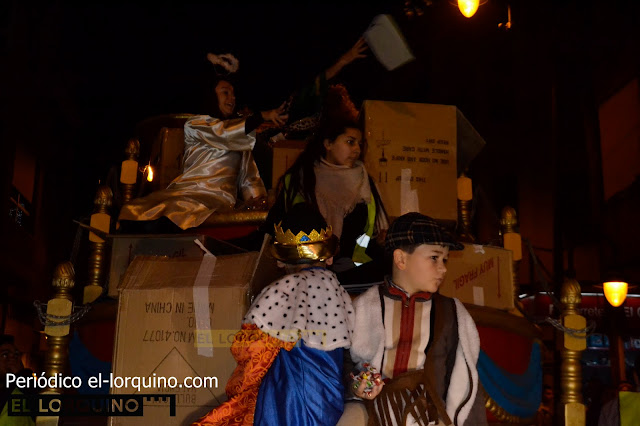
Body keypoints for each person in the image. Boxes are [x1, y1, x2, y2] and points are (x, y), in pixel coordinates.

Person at [119, 39, 368, 233]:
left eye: (233, 93)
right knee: (153, 214)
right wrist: (262, 116)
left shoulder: (242, 139)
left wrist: (260, 202)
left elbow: (250, 180)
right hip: (191, 197)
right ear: (212, 96)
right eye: (225, 93)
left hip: (222, 205)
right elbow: (223, 133)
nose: (232, 98)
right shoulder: (197, 125)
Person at [192, 203, 355, 426]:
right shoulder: (339, 291)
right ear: (329, 257)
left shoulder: (284, 290)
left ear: (279, 260)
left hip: (288, 400)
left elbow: (252, 350)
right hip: (327, 400)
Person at [339, 213, 487, 426]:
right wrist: (356, 384)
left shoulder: (451, 313)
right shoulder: (365, 306)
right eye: (434, 258)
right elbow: (344, 362)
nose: (443, 268)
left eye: (445, 260)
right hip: (373, 409)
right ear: (401, 259)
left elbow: (465, 378)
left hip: (427, 412)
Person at [263, 95, 389, 280]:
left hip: (352, 273)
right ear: (328, 143)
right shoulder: (299, 180)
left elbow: (367, 239)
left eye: (360, 144)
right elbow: (274, 228)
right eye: (350, 142)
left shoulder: (367, 183)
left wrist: (380, 244)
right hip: (304, 272)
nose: (356, 149)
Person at [0, 335, 35, 426]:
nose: (12, 360)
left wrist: (22, 374)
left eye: (16, 355)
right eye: (5, 355)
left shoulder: (22, 388)